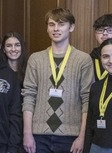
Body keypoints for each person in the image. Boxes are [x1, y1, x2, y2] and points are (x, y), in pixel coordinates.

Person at [22, 8, 94, 153]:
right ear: (47, 28)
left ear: (71, 27)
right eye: (51, 24)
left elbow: (87, 99)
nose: (56, 29)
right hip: (38, 136)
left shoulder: (83, 59)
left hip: (71, 137)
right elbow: (29, 96)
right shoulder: (35, 59)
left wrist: (82, 136)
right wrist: (27, 133)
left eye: (61, 24)